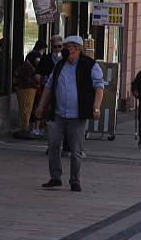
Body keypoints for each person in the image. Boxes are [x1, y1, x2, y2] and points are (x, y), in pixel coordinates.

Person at [36, 35, 104, 192]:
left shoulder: (90, 65)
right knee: (53, 145)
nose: (66, 50)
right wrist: (41, 106)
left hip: (77, 115)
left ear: (78, 49)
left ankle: (75, 180)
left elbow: (99, 87)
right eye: (65, 47)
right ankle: (55, 177)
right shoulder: (60, 65)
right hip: (58, 114)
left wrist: (96, 107)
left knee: (76, 150)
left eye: (69, 47)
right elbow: (48, 86)